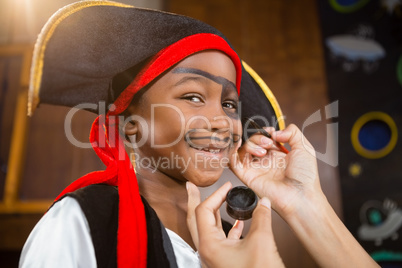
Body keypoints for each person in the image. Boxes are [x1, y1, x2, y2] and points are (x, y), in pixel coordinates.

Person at [20, 1, 378, 268]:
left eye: (229, 105)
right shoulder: (82, 222)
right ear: (131, 126)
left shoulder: (232, 239)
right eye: (193, 96)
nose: (223, 122)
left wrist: (302, 200)